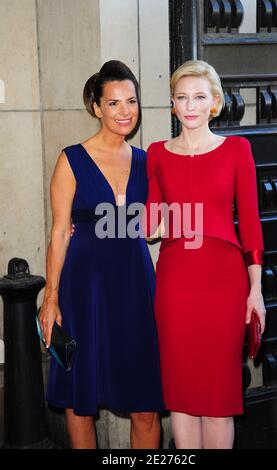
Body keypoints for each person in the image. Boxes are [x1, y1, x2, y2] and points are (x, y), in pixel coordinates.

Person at [38, 60, 164, 449]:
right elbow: (59, 231)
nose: (124, 111)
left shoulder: (149, 161)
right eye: (113, 103)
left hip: (135, 288)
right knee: (80, 402)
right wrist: (51, 299)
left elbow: (162, 221)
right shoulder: (71, 159)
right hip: (81, 290)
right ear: (96, 106)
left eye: (131, 101)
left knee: (145, 405)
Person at [144, 60, 266, 449]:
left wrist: (256, 290)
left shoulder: (237, 150)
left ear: (215, 102)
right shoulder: (157, 153)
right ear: (173, 105)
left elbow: (250, 224)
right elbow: (151, 224)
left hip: (225, 285)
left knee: (216, 401)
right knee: (180, 400)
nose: (190, 105)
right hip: (176, 284)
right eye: (182, 98)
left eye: (199, 97)